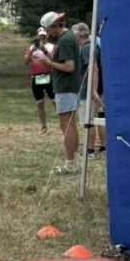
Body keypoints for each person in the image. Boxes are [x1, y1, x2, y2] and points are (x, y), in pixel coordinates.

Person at [40, 11, 83, 174]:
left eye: (48, 29)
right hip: (69, 88)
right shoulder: (68, 37)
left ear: (54, 26)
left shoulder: (64, 40)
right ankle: (74, 162)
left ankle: (70, 164)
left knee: (66, 126)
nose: (47, 33)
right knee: (71, 125)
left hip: (66, 88)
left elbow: (69, 66)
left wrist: (49, 62)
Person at [73, 23, 106, 155]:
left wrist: (92, 90)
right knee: (100, 118)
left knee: (89, 120)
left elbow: (94, 68)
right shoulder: (95, 45)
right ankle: (103, 147)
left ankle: (90, 150)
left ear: (80, 33)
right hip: (99, 89)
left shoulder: (87, 48)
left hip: (89, 90)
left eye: (74, 32)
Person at [23, 28, 55, 133]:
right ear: (37, 37)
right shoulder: (31, 48)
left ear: (47, 36)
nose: (42, 38)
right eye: (40, 36)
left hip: (49, 76)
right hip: (36, 77)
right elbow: (26, 62)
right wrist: (32, 50)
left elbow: (54, 59)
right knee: (39, 102)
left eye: (44, 36)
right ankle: (43, 126)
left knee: (54, 101)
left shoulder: (51, 47)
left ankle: (63, 121)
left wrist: (44, 51)